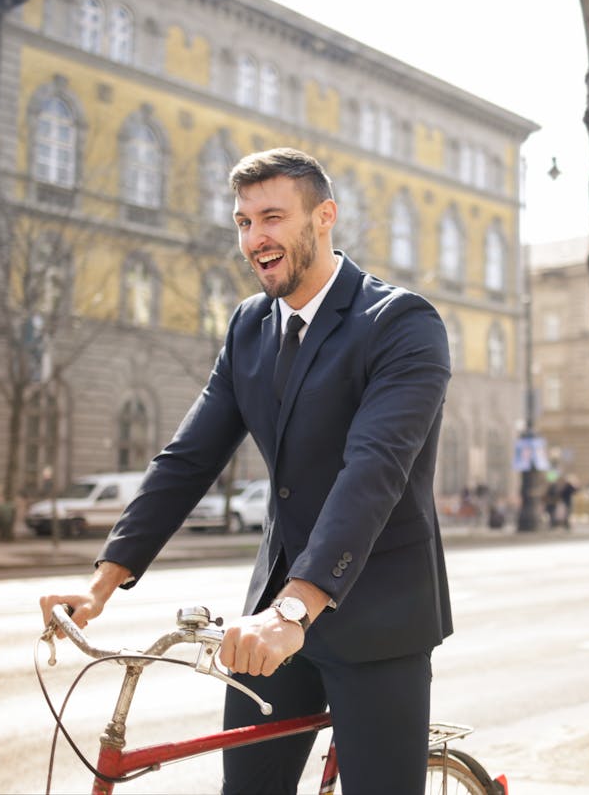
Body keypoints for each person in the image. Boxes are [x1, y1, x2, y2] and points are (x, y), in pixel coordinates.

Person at [38, 148, 453, 795]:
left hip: (377, 618)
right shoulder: (249, 325)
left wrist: (296, 606)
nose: (254, 238)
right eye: (241, 222)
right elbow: (187, 460)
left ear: (324, 218)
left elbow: (374, 470)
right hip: (272, 618)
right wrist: (101, 583)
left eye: (271, 217)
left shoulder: (400, 324)